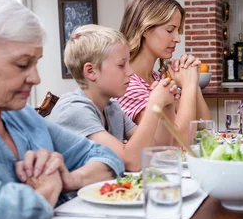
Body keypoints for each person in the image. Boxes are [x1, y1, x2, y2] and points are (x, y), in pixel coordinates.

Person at [0, 0, 124, 219]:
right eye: (22, 64)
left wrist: (70, 179)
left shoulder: (22, 116)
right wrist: (48, 188)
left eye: (36, 63)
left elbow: (107, 156)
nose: (36, 78)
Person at [49, 25, 178, 172]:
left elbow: (156, 151)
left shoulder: (112, 108)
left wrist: (168, 105)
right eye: (121, 65)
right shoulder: (74, 110)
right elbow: (132, 162)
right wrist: (155, 104)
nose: (130, 71)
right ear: (91, 72)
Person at [118, 0, 211, 145]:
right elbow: (177, 143)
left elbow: (205, 129)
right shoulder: (127, 85)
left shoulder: (157, 78)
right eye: (170, 30)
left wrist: (193, 83)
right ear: (145, 29)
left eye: (178, 31)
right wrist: (187, 86)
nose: (177, 39)